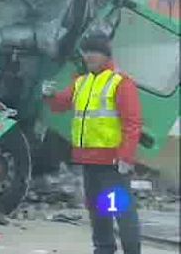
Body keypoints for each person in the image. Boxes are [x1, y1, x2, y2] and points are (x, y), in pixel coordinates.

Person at [42, 32, 142, 254]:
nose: (89, 56)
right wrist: (49, 95)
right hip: (88, 160)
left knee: (120, 212)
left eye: (94, 52)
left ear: (106, 54)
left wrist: (126, 157)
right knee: (99, 212)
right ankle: (104, 249)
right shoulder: (81, 82)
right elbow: (61, 105)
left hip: (113, 164)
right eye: (86, 51)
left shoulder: (120, 82)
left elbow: (132, 123)